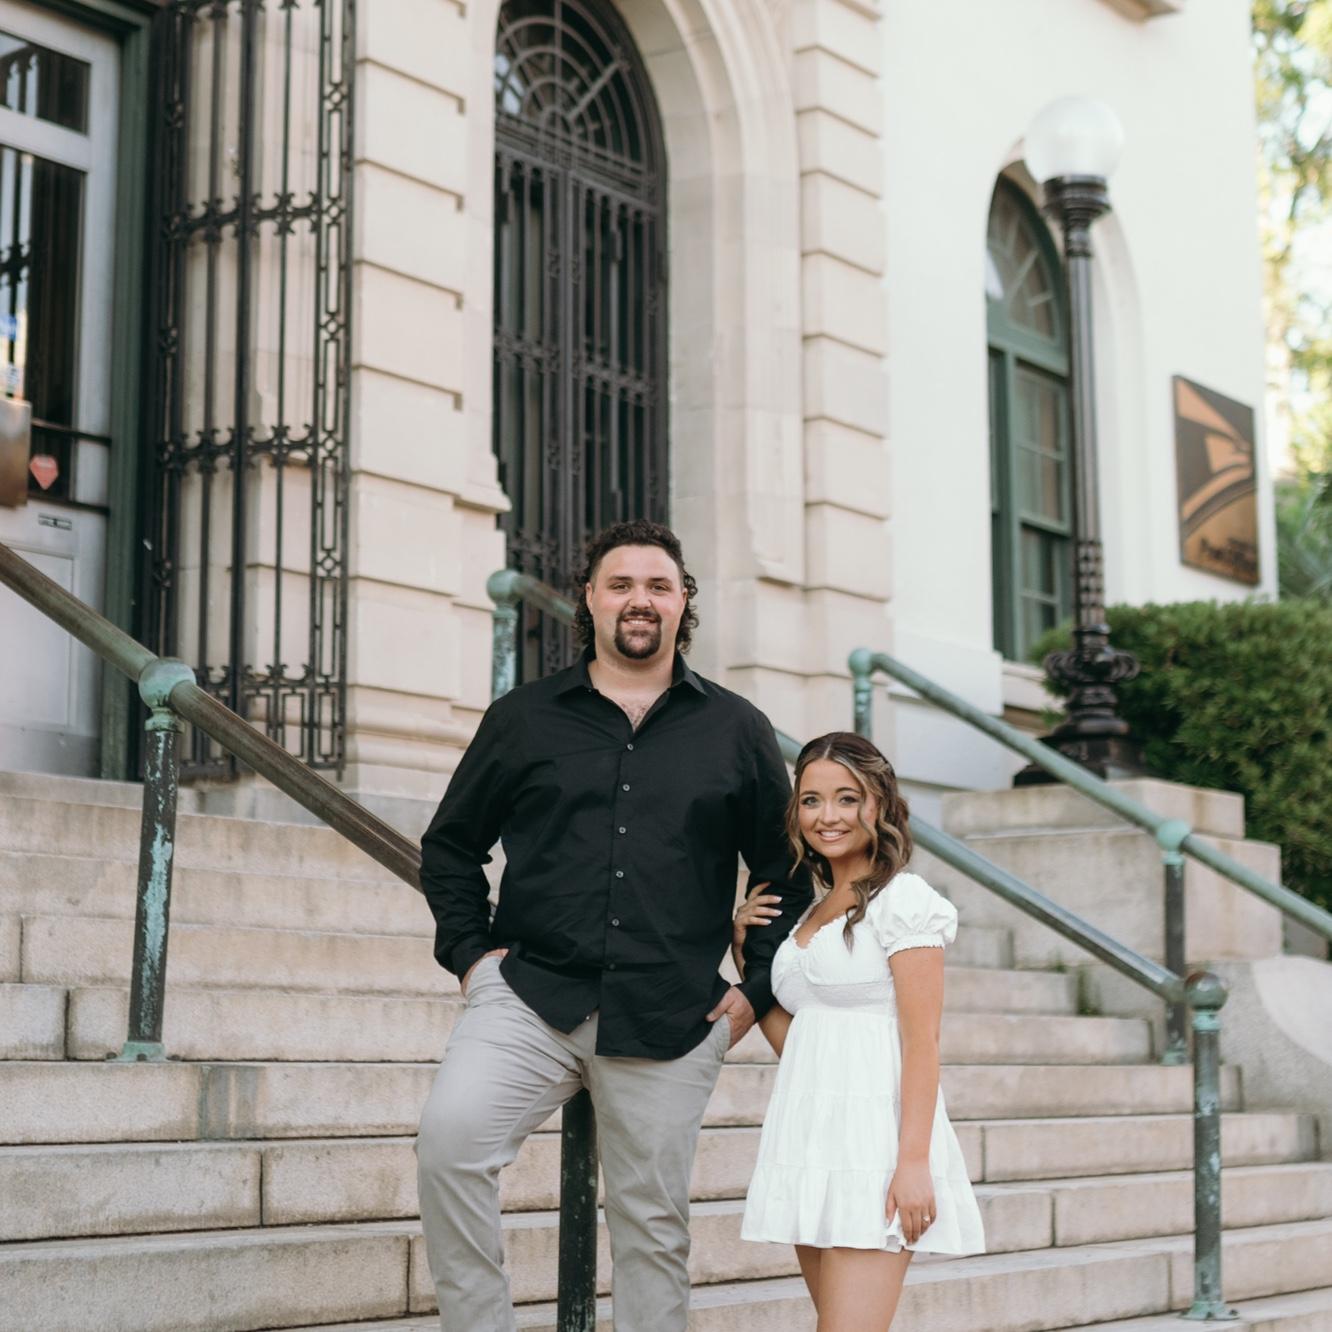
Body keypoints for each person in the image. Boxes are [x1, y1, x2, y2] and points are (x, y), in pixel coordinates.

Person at [415, 518, 812, 1332]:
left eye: (659, 586)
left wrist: (754, 987)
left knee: (652, 1227)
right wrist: (471, 957)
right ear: (590, 598)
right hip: (529, 997)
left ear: (683, 601)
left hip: (671, 1013)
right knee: (450, 1148)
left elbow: (789, 869)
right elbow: (451, 845)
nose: (640, 600)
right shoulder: (524, 718)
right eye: (622, 584)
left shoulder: (736, 728)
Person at [734, 731, 985, 1331]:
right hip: (810, 1145)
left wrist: (913, 1163)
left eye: (847, 798)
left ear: (880, 804)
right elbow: (801, 1046)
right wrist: (744, 953)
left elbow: (922, 1043)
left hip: (875, 1150)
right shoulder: (809, 912)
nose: (828, 816)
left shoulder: (904, 900)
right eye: (812, 800)